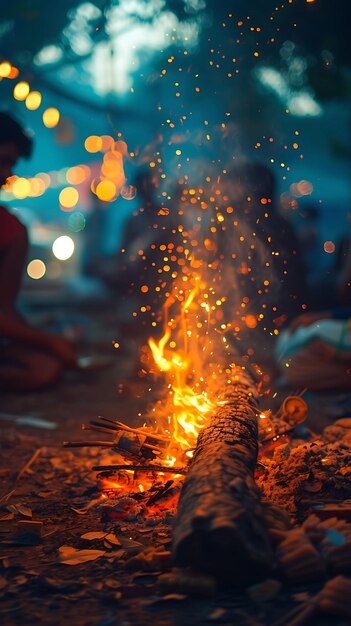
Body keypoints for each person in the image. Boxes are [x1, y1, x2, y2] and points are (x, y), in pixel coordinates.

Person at [0, 111, 77, 391]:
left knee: (43, 366)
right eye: (2, 161)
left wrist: (44, 337)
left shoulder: (10, 229)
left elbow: (4, 310)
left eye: (10, 164)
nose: (6, 174)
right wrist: (48, 340)